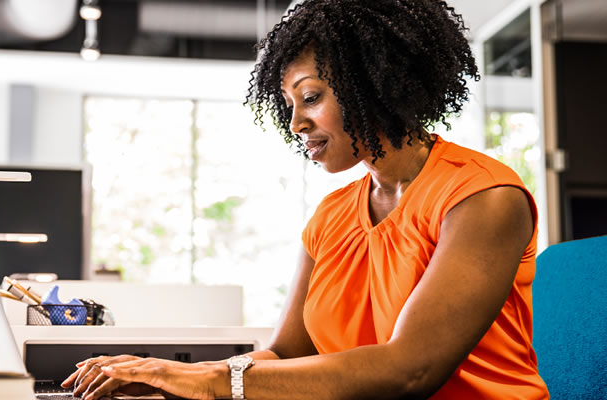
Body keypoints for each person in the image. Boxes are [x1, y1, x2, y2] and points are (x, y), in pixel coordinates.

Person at [60, 0, 549, 398]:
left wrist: (210, 381)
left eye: (310, 97)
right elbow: (288, 355)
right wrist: (162, 377)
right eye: (290, 105)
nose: (296, 124)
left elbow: (411, 371)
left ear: (375, 87)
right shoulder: (333, 215)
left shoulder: (482, 196)